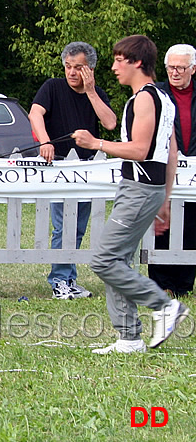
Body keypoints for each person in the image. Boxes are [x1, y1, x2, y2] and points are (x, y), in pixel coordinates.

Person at [73, 35, 190, 354]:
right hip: (147, 190)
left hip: (138, 189)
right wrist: (164, 199)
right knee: (120, 260)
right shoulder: (163, 98)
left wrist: (94, 143)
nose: (112, 67)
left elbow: (140, 149)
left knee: (104, 259)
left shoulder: (144, 99)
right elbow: (171, 150)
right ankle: (129, 338)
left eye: (119, 61)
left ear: (137, 62)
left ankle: (165, 307)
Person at [29, 42, 117, 300]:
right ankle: (59, 280)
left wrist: (90, 91)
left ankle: (69, 278)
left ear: (90, 69)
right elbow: (35, 114)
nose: (71, 72)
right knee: (62, 226)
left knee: (78, 227)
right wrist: (45, 141)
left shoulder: (96, 92)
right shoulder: (52, 87)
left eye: (78, 67)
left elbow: (110, 123)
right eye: (68, 66)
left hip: (88, 170)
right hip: (59, 166)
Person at [148, 44, 196, 296]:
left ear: (193, 69)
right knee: (162, 223)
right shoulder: (156, 93)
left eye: (181, 67)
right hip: (164, 167)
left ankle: (184, 284)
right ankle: (161, 282)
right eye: (170, 68)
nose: (175, 72)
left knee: (192, 226)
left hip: (194, 172)